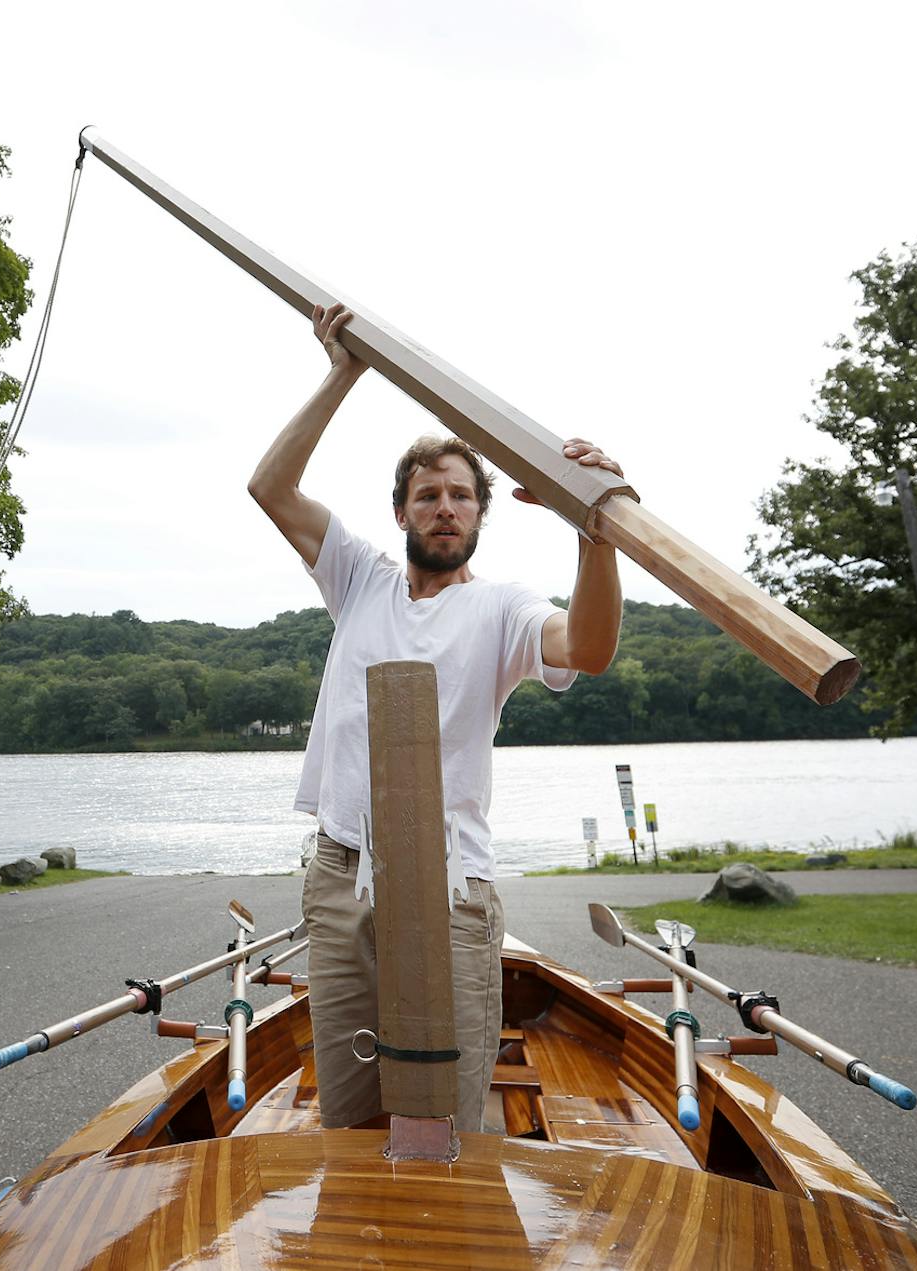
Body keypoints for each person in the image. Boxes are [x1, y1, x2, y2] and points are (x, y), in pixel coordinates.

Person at [248, 303, 623, 1133]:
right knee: (348, 1115)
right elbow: (270, 487)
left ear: (481, 515)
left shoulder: (502, 609)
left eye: (460, 495)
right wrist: (342, 372)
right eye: (428, 495)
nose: (445, 507)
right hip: (342, 875)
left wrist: (594, 532)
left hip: (450, 883)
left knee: (442, 1123)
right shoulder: (360, 579)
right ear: (402, 512)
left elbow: (589, 647)